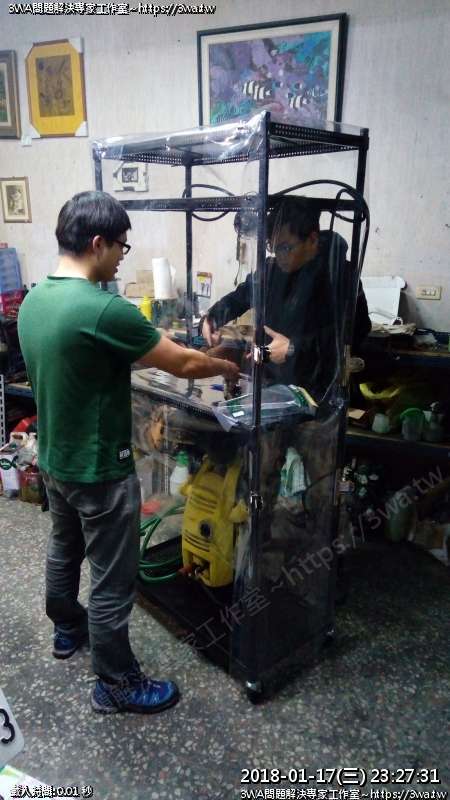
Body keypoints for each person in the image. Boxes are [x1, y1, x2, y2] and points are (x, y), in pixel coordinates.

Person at [17, 190, 239, 715]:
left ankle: (66, 629)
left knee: (64, 548)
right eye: (121, 245)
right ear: (98, 243)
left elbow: (82, 359)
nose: (122, 256)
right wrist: (227, 366)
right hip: (100, 470)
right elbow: (185, 365)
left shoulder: (34, 301)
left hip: (55, 460)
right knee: (113, 579)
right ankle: (116, 683)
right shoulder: (103, 308)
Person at [201, 195, 371, 401]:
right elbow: (241, 296)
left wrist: (293, 348)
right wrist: (213, 317)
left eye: (285, 247)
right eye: (272, 247)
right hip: (273, 386)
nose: (278, 255)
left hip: (317, 392)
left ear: (312, 239)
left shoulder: (340, 276)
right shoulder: (273, 271)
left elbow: (353, 338)